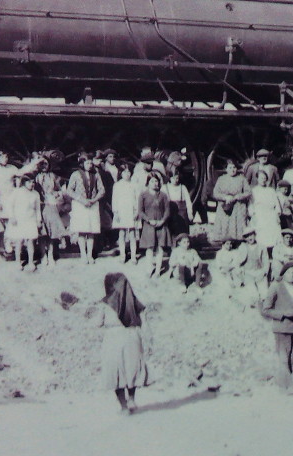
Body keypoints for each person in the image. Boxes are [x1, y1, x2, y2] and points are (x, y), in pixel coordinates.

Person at [97, 272, 150, 415]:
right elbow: (144, 321)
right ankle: (132, 399)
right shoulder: (134, 301)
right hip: (132, 335)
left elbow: (98, 323)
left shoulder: (105, 304)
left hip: (113, 337)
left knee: (116, 372)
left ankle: (124, 406)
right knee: (131, 369)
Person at [261, 262, 293, 393]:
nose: (292, 275)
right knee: (284, 358)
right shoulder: (275, 287)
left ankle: (284, 382)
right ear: (283, 274)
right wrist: (283, 314)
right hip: (282, 328)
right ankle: (287, 387)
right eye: (289, 273)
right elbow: (265, 310)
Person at [67, 154, 106, 264]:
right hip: (80, 205)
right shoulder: (75, 174)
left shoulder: (96, 174)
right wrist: (81, 199)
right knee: (82, 230)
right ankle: (83, 254)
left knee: (91, 231)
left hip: (92, 204)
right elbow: (69, 190)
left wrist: (94, 200)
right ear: (82, 163)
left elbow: (102, 190)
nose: (90, 165)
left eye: (91, 163)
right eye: (87, 163)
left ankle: (90, 255)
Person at [34, 158, 68, 266]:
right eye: (42, 164)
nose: (44, 166)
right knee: (43, 233)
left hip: (51, 204)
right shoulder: (36, 177)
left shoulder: (52, 176)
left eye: (46, 164)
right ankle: (43, 255)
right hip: (40, 205)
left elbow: (59, 189)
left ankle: (51, 255)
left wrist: (57, 194)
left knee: (51, 232)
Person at [138, 175, 172, 278]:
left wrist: (162, 221)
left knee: (160, 248)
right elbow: (140, 212)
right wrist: (149, 220)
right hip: (149, 225)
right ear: (148, 183)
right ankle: (149, 269)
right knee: (149, 248)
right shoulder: (143, 195)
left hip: (161, 225)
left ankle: (158, 270)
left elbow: (167, 210)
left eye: (156, 181)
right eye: (152, 181)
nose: (155, 183)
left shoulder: (163, 195)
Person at [0, 151, 20, 256]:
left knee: (9, 221)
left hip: (9, 197)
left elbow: (21, 174)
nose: (5, 159)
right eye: (2, 157)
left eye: (6, 157)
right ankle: (0, 245)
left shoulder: (12, 168)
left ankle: (9, 244)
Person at [212, 160, 251, 242]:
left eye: (234, 167)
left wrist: (238, 196)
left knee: (237, 228)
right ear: (226, 169)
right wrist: (225, 197)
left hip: (238, 207)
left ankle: (238, 242)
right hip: (225, 206)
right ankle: (225, 243)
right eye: (230, 167)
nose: (232, 170)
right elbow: (215, 193)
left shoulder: (242, 179)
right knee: (225, 225)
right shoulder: (221, 179)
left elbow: (248, 192)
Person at [10, 174, 43, 271]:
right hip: (19, 219)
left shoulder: (35, 194)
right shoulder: (17, 192)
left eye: (33, 182)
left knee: (30, 241)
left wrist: (38, 220)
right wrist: (12, 217)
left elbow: (37, 209)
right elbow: (10, 205)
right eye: (29, 182)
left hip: (30, 219)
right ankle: (18, 262)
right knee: (19, 241)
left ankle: (31, 262)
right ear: (24, 183)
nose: (32, 184)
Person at [111, 164, 142, 264]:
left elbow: (138, 199)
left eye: (128, 172)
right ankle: (122, 255)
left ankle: (133, 256)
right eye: (124, 172)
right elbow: (114, 199)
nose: (127, 174)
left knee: (132, 234)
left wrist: (137, 211)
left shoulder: (134, 185)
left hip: (131, 211)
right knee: (122, 233)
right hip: (121, 211)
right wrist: (116, 212)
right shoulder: (117, 185)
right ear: (121, 173)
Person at [250, 170, 282, 248]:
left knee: (273, 232)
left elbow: (277, 204)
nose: (263, 180)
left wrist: (277, 214)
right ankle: (262, 252)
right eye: (261, 178)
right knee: (260, 233)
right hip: (259, 214)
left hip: (270, 213)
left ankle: (273, 252)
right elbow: (250, 205)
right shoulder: (253, 191)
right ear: (257, 179)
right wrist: (253, 215)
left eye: (264, 178)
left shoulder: (271, 190)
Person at [163, 171, 194, 237]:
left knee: (182, 231)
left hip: (182, 213)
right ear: (170, 178)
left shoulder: (182, 187)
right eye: (173, 178)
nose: (176, 180)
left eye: (177, 178)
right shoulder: (165, 187)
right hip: (170, 213)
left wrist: (190, 213)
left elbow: (188, 201)